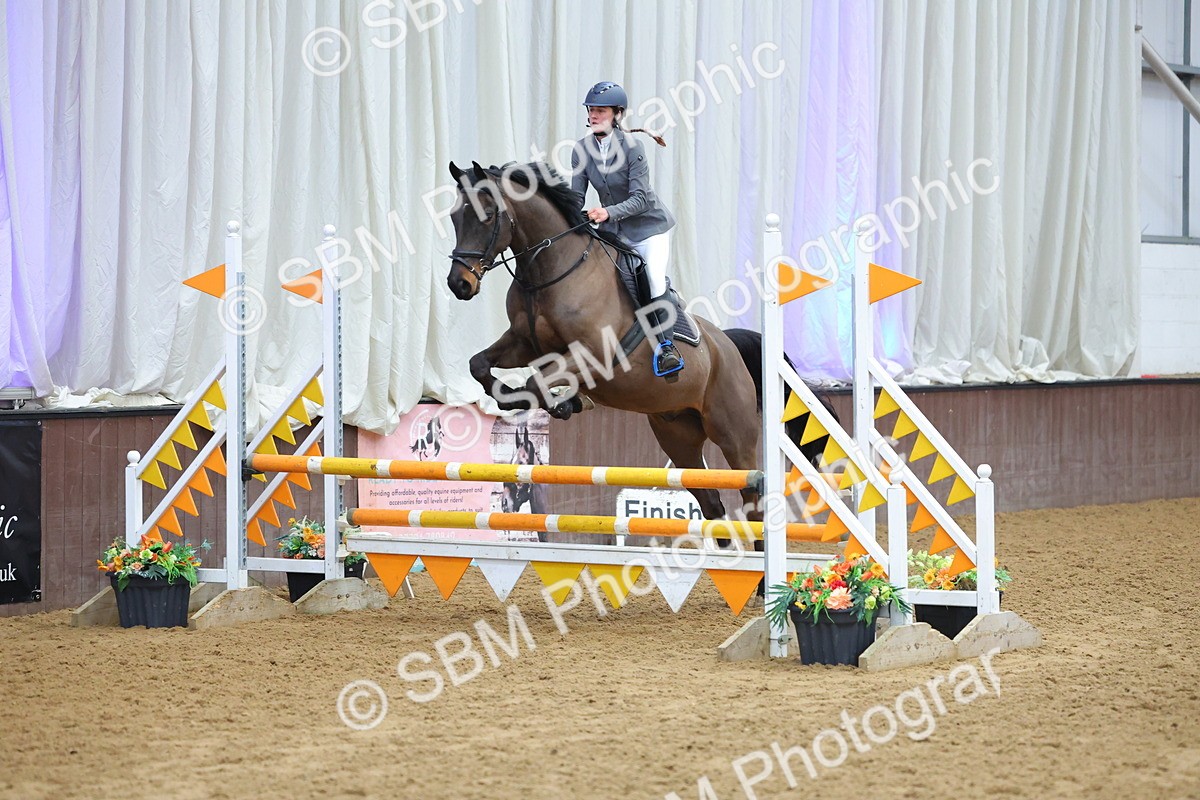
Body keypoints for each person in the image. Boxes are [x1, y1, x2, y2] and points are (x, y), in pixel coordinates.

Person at [570, 81, 683, 378]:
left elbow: (641, 198)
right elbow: (576, 196)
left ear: (617, 114)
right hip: (616, 233)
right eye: (591, 110)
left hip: (649, 229)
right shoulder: (581, 150)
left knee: (654, 279)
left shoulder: (634, 148)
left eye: (601, 111)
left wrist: (606, 212)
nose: (594, 115)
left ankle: (667, 347)